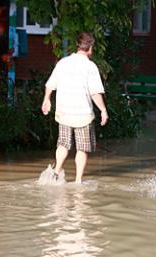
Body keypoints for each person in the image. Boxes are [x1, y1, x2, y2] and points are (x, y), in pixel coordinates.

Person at [41, 32, 108, 184]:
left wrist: (46, 99)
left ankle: (56, 172)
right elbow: (95, 93)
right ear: (90, 47)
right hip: (83, 114)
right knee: (82, 148)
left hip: (64, 111)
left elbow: (50, 84)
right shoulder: (90, 66)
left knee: (63, 144)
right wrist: (103, 110)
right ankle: (78, 181)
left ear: (78, 45)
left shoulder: (63, 63)